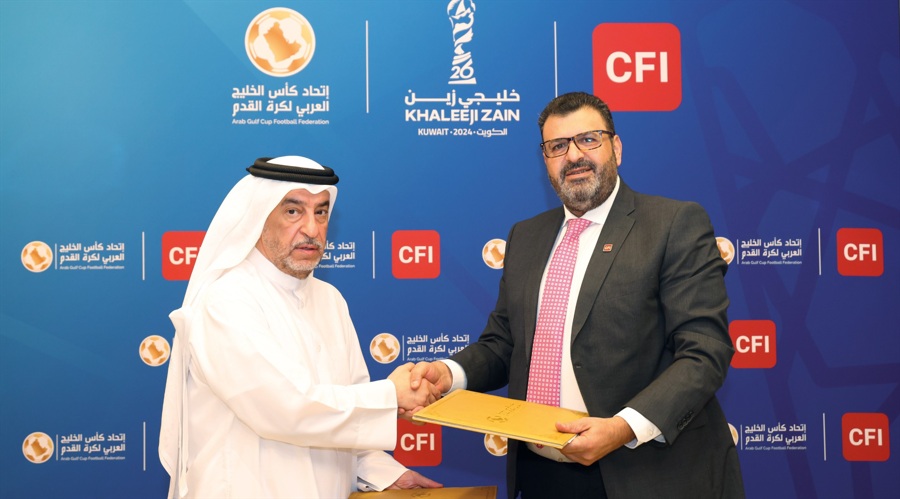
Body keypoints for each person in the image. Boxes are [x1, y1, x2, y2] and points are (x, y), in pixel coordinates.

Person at [410, 92, 744, 498]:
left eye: (588, 139)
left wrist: (622, 427)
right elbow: (504, 345)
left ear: (616, 148)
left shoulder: (673, 224)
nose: (573, 156)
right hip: (541, 474)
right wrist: (449, 374)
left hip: (643, 472)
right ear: (545, 160)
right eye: (557, 146)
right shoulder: (526, 235)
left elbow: (704, 352)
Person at [159, 156, 442, 499]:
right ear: (259, 217)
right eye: (293, 211)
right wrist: (391, 396)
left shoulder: (330, 300)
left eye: (321, 212)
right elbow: (285, 409)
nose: (312, 228)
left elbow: (344, 417)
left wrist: (385, 474)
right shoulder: (226, 300)